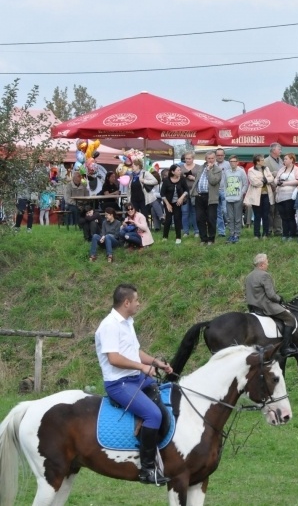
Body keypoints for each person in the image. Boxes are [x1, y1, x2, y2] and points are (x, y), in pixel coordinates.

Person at [95, 284, 173, 485]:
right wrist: (142, 367)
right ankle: (146, 470)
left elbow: (134, 352)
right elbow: (114, 358)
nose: (139, 303)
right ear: (126, 302)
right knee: (153, 415)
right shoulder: (109, 326)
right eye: (136, 300)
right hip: (118, 383)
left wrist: (155, 363)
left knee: (162, 400)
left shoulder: (127, 322)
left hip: (136, 378)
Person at [245, 254, 298, 357]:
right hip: (265, 306)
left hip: (252, 307)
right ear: (261, 265)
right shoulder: (264, 275)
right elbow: (271, 295)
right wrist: (279, 299)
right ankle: (285, 347)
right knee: (290, 319)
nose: (268, 264)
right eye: (267, 262)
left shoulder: (249, 276)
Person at [191, 152, 223, 246]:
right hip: (199, 196)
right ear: (206, 159)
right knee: (199, 218)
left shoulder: (218, 169)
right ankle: (203, 239)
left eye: (212, 158)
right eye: (209, 158)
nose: (211, 160)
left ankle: (211, 239)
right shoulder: (200, 168)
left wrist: (209, 170)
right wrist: (194, 192)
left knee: (211, 219)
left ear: (215, 159)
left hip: (211, 197)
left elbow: (213, 181)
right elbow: (197, 180)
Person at [244, 154, 274, 240]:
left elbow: (271, 178)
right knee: (257, 215)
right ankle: (256, 234)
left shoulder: (266, 169)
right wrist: (265, 180)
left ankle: (265, 233)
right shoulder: (251, 170)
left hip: (266, 195)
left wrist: (263, 180)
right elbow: (254, 182)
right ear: (257, 162)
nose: (264, 161)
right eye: (262, 160)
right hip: (256, 196)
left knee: (266, 215)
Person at [275, 153, 298, 240]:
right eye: (284, 159)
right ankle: (285, 233)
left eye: (286, 159)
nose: (284, 160)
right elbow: (276, 178)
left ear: (291, 160)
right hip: (280, 195)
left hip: (290, 195)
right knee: (283, 216)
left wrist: (286, 183)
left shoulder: (297, 169)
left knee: (290, 215)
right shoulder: (282, 169)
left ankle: (292, 233)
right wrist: (277, 182)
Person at [222, 155, 248, 244]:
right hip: (229, 198)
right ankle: (231, 234)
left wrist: (241, 194)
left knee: (237, 218)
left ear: (237, 162)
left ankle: (237, 234)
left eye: (234, 161)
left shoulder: (241, 171)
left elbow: (245, 184)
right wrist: (225, 194)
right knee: (230, 218)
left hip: (238, 198)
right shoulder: (226, 172)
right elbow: (224, 184)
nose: (232, 163)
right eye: (231, 162)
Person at [160, 164, 189, 244]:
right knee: (168, 219)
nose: (180, 171)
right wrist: (167, 204)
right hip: (168, 202)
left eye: (180, 170)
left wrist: (181, 198)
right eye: (178, 170)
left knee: (177, 219)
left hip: (178, 202)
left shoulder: (182, 179)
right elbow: (162, 193)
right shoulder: (166, 180)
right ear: (173, 172)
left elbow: (186, 190)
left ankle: (178, 237)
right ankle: (165, 237)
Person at [179, 152, 202, 237]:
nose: (188, 160)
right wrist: (182, 176)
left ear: (193, 159)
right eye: (186, 158)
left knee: (194, 212)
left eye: (189, 158)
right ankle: (185, 231)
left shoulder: (198, 167)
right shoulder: (180, 167)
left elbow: (202, 179)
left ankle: (196, 231)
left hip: (194, 191)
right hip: (183, 192)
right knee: (184, 212)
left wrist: (194, 178)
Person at [214, 148, 231, 237]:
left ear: (224, 155)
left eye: (221, 155)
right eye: (218, 155)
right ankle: (221, 231)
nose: (220, 157)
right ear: (215, 156)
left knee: (225, 210)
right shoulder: (212, 164)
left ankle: (231, 228)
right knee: (218, 212)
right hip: (215, 191)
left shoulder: (228, 164)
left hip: (225, 190)